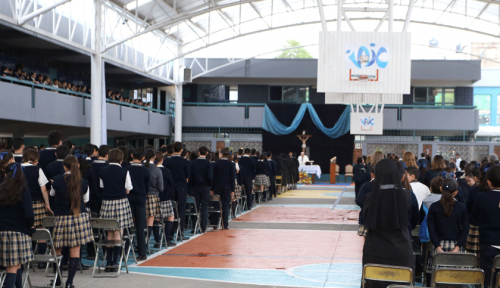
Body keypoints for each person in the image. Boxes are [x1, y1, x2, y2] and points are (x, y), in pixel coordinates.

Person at [362, 159, 415, 288]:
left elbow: (365, 220)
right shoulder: (407, 196)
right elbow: (413, 221)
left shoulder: (370, 198)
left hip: (374, 251)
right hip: (401, 250)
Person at [50, 156, 93, 288]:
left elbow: (52, 194)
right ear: (77, 166)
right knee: (75, 251)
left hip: (61, 218)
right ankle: (69, 283)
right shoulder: (84, 182)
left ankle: (57, 280)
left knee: (57, 250)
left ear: (65, 167)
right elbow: (86, 200)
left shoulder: (57, 180)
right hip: (79, 217)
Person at [0, 158, 35, 288]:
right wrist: (31, 226)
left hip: (1, 230)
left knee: (16, 264)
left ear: (5, 174)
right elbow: (29, 214)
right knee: (13, 268)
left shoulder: (1, 189)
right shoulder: (23, 190)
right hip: (17, 232)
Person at [98, 149, 134, 272]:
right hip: (121, 202)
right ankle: (115, 262)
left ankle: (108, 263)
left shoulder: (102, 171)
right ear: (121, 158)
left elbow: (102, 187)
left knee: (109, 233)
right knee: (119, 232)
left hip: (107, 202)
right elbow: (128, 189)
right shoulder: (124, 171)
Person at [473, 165, 500, 285]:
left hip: (487, 242)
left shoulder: (482, 197)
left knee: (488, 276)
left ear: (489, 182)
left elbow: (474, 217)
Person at [427, 178, 469, 255]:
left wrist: (437, 246)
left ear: (440, 188)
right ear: (456, 192)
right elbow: (465, 229)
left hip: (438, 244)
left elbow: (431, 228)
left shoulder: (434, 207)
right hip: (456, 245)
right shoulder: (462, 207)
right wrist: (458, 247)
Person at [125, 148, 149, 260]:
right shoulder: (145, 171)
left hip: (128, 199)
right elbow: (147, 187)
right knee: (140, 226)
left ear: (131, 155)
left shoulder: (127, 169)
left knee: (127, 226)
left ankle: (124, 251)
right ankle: (142, 253)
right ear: (143, 158)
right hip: (140, 200)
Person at [164, 142, 190, 240]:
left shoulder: (167, 161)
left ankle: (170, 234)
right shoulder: (185, 162)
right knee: (181, 211)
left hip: (170, 187)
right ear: (181, 150)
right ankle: (180, 233)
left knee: (171, 210)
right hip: (182, 187)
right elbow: (187, 178)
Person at [190, 146, 213, 233]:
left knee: (195, 207)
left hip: (195, 187)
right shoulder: (208, 164)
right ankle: (203, 227)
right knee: (204, 207)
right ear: (207, 153)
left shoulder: (193, 163)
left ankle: (194, 226)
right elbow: (210, 176)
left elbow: (191, 176)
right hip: (205, 187)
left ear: (198, 152)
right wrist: (210, 185)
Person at [211, 148, 235, 230]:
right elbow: (232, 178)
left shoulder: (216, 164)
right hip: (227, 186)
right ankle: (224, 224)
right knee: (226, 205)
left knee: (216, 204)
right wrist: (233, 190)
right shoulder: (231, 164)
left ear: (221, 154)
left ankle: (214, 223)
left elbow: (213, 177)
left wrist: (212, 188)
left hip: (217, 186)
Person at [144, 148, 163, 247]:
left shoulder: (142, 167)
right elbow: (161, 188)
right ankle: (147, 243)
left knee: (139, 221)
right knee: (150, 221)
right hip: (153, 196)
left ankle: (140, 243)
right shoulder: (157, 170)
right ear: (154, 157)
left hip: (141, 196)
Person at [155, 152, 176, 247]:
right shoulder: (166, 171)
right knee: (170, 216)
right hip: (165, 198)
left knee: (156, 218)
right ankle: (166, 239)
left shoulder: (151, 170)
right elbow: (171, 184)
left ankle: (157, 240)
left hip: (154, 198)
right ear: (162, 160)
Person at [466, 167, 483, 258]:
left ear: (475, 178)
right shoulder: (490, 190)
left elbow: (468, 207)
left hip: (474, 226)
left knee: (472, 258)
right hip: (486, 227)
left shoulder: (474, 190)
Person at [90, 145, 110, 214]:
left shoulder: (90, 166)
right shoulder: (108, 167)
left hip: (91, 197)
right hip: (105, 198)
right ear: (107, 155)